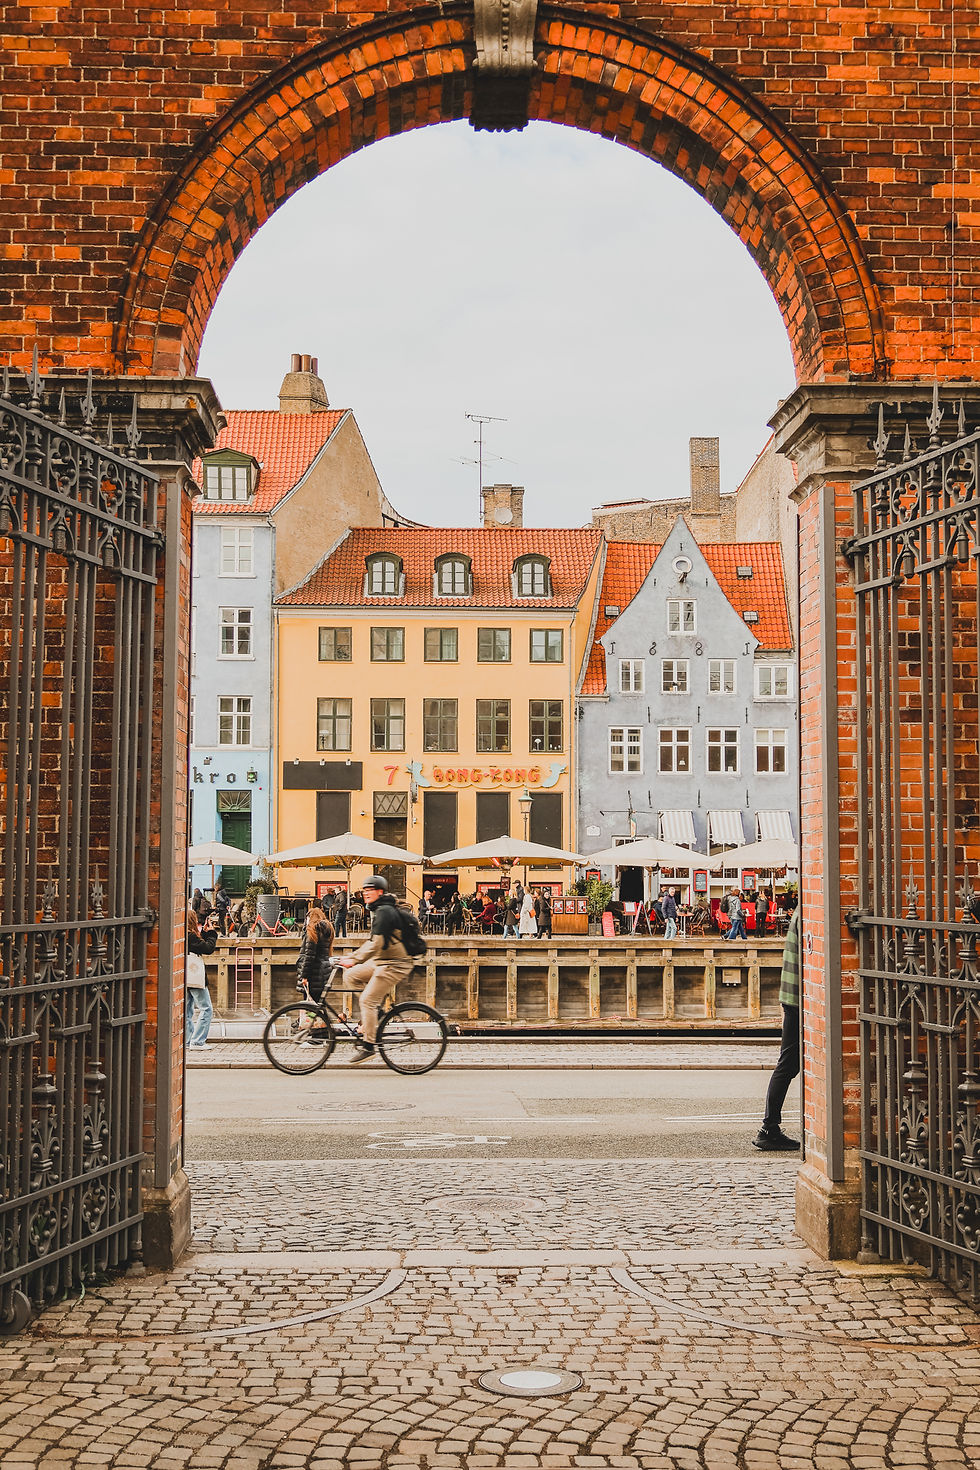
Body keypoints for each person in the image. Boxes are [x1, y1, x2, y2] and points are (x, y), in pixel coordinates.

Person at [334, 875, 416, 1064]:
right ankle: (376, 1012)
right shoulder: (380, 910)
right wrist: (351, 961)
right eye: (364, 891)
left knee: (366, 1000)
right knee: (351, 976)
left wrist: (352, 959)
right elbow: (373, 942)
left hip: (395, 964)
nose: (366, 894)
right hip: (382, 960)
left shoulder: (385, 912)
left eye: (369, 890)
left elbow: (375, 944)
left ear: (380, 892)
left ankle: (369, 1046)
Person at [753, 908, 801, 1151]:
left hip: (792, 997)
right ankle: (769, 1128)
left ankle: (770, 1127)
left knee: (789, 1065)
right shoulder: (810, 912)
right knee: (787, 1065)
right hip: (799, 999)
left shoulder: (800, 912)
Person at [186, 907, 218, 1049]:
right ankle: (197, 1041)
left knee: (187, 1011)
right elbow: (207, 948)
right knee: (207, 1008)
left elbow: (199, 946)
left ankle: (186, 1041)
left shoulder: (183, 935)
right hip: (195, 977)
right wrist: (211, 933)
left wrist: (204, 933)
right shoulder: (191, 936)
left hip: (185, 977)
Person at [296, 904, 335, 1004]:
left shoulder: (312, 932)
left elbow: (309, 956)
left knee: (310, 1006)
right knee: (319, 1004)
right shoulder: (328, 929)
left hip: (313, 975)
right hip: (323, 972)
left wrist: (304, 976)